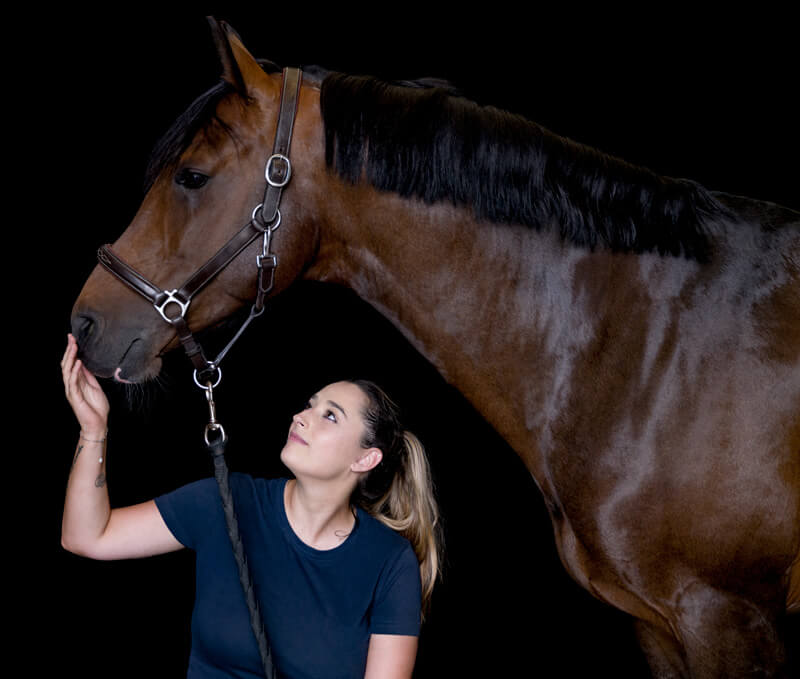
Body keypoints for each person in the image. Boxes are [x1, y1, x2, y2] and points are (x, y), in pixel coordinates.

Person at [61, 333, 443, 678]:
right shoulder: (226, 501)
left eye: (329, 415)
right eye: (309, 406)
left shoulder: (390, 562)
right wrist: (94, 431)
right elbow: (88, 537)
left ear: (365, 459)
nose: (301, 417)